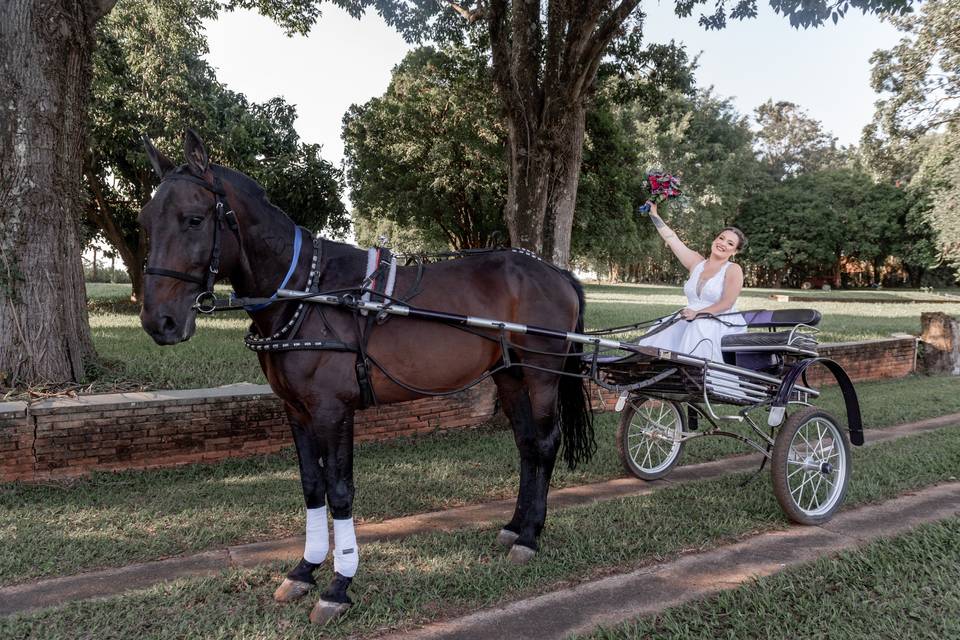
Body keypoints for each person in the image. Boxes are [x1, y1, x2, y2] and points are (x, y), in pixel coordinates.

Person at [636, 202, 747, 362]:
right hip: (690, 314)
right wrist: (654, 215)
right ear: (714, 240)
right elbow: (671, 238)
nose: (722, 243)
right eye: (721, 238)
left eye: (730, 243)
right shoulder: (696, 262)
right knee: (664, 325)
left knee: (698, 327)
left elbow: (727, 303)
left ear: (734, 251)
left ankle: (695, 376)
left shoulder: (733, 269)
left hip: (721, 318)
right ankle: (656, 371)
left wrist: (698, 313)